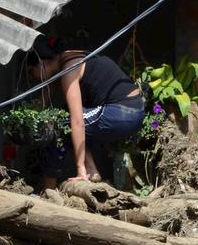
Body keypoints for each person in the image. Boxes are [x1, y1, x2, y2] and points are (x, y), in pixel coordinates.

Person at [25, 36, 145, 185]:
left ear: (42, 63)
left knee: (56, 125)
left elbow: (77, 121)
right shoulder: (69, 57)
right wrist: (30, 116)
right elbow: (47, 92)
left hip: (121, 112)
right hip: (133, 110)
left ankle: (54, 184)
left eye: (31, 72)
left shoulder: (69, 71)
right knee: (64, 120)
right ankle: (91, 170)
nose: (32, 78)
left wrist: (79, 169)